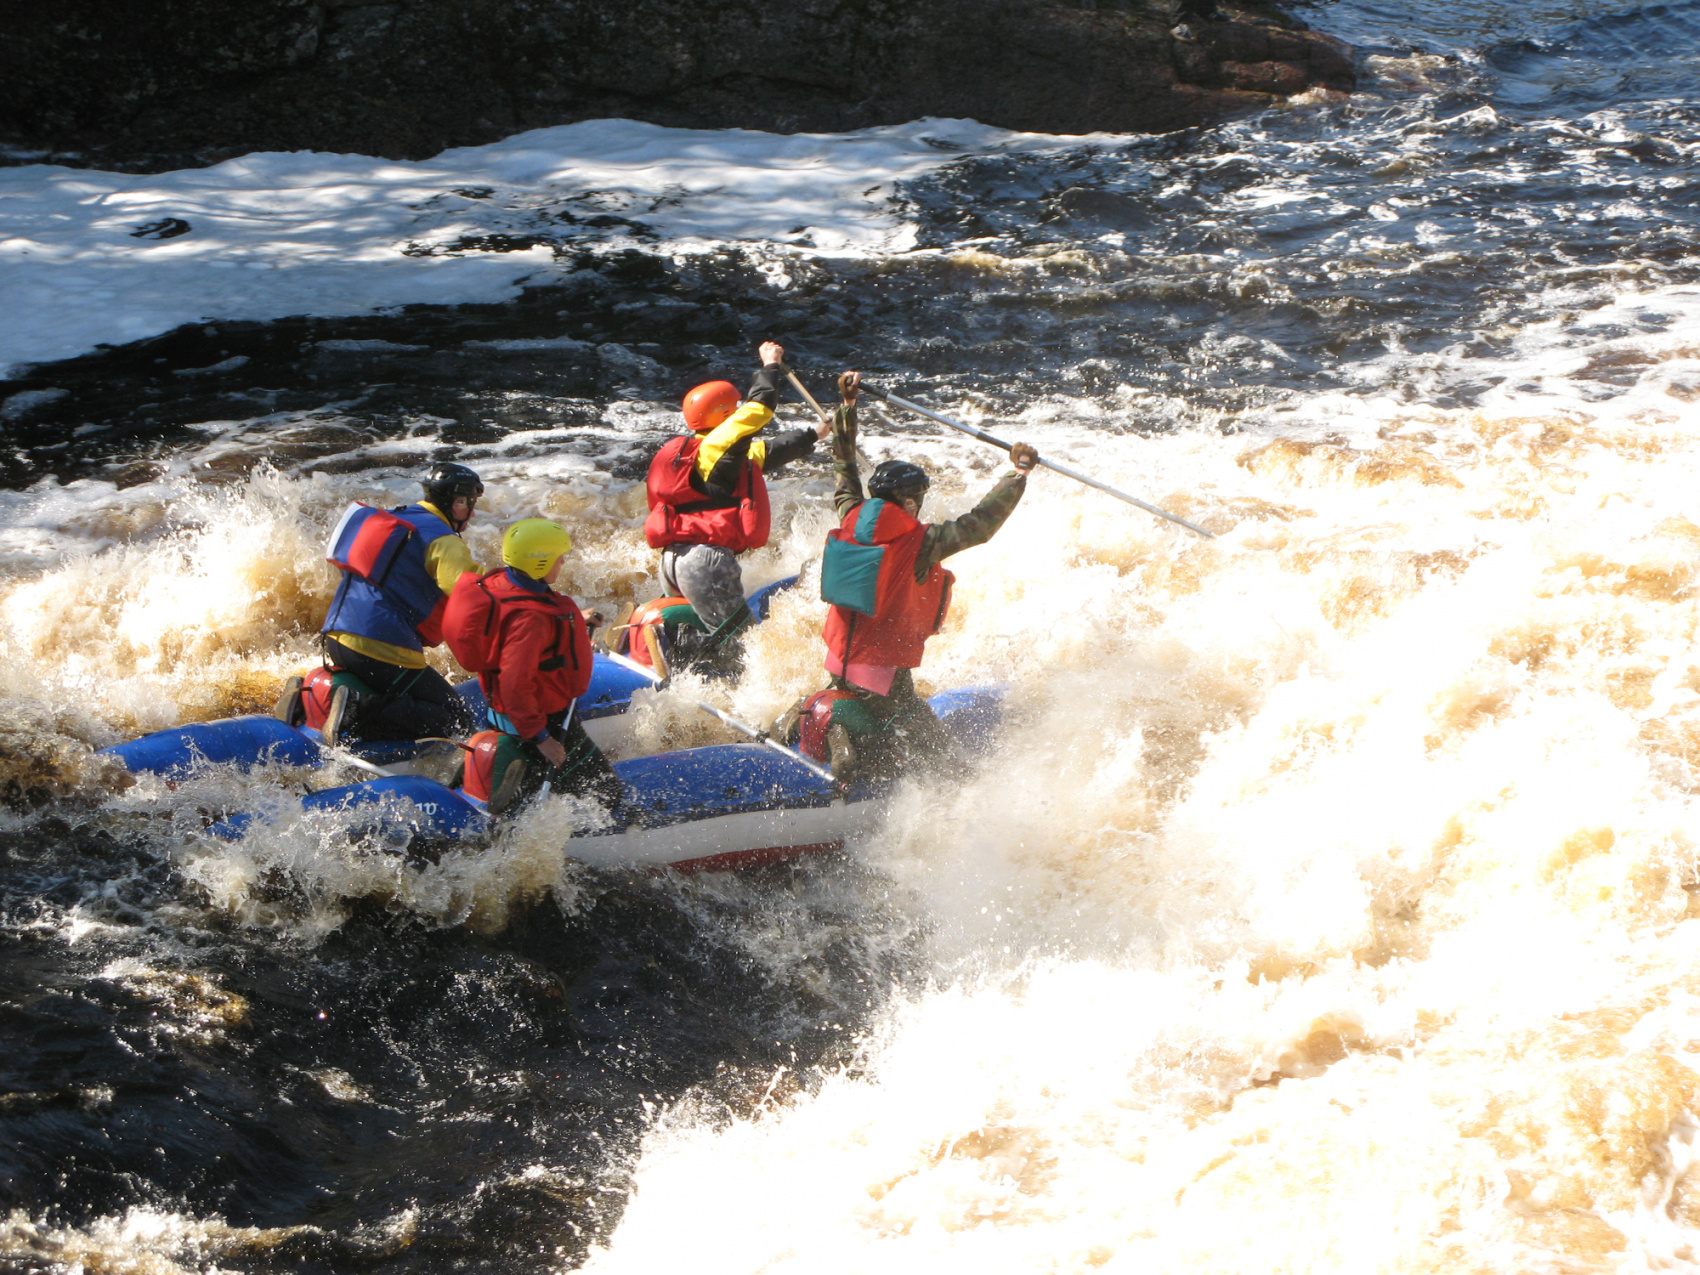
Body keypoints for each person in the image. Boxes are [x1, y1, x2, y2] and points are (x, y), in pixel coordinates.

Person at [792, 371, 1037, 782]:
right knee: (943, 759)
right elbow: (979, 525)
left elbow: (844, 468)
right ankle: (869, 766)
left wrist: (847, 409)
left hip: (839, 658)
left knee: (879, 716)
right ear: (908, 502)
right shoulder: (921, 543)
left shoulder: (849, 513)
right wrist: (1018, 474)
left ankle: (843, 729)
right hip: (882, 672)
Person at [645, 340, 831, 675]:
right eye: (734, 408)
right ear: (725, 415)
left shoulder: (701, 454)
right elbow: (759, 409)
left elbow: (766, 453)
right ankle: (678, 648)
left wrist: (814, 435)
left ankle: (676, 646)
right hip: (705, 564)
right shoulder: (720, 443)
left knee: (715, 631)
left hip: (672, 561)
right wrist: (770, 365)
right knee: (741, 644)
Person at [443, 519, 622, 816]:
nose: (562, 562)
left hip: (502, 716)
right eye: (558, 557)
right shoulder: (532, 620)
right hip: (543, 721)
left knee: (538, 776)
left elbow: (514, 624)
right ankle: (532, 810)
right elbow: (515, 681)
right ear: (540, 563)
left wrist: (573, 620)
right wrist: (542, 738)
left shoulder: (500, 585)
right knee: (607, 792)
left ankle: (512, 782)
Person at [309, 462, 484, 746]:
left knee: (401, 691)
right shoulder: (444, 540)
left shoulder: (398, 518)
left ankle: (306, 697)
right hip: (380, 648)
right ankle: (356, 708)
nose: (472, 513)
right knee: (456, 718)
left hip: (337, 637)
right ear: (457, 502)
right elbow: (474, 596)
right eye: (470, 503)